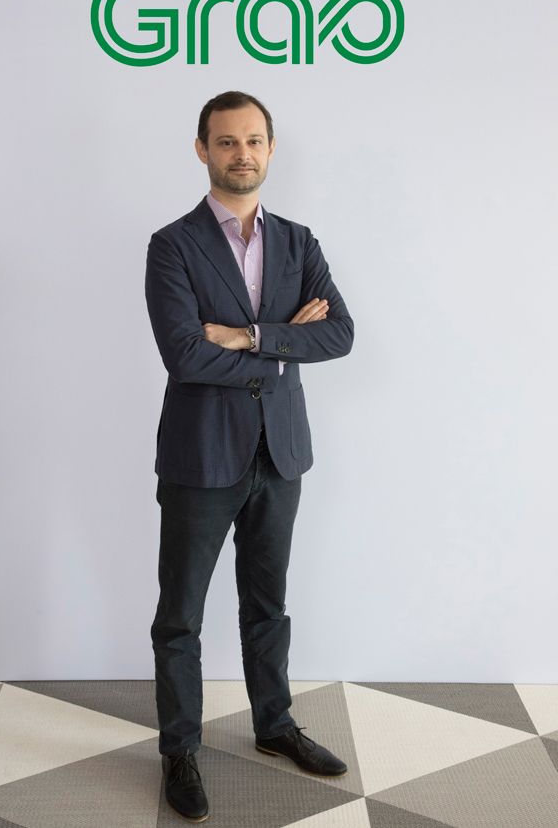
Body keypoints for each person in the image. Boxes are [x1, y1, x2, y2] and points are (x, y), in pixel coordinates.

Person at [145, 90, 354, 822]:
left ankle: (274, 724)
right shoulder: (172, 245)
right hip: (202, 456)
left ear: (270, 148)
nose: (243, 153)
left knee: (268, 605)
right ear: (202, 149)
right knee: (181, 616)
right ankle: (179, 750)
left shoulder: (298, 242)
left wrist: (246, 336)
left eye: (254, 140)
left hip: (280, 454)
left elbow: (340, 334)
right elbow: (184, 355)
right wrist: (285, 345)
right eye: (227, 141)